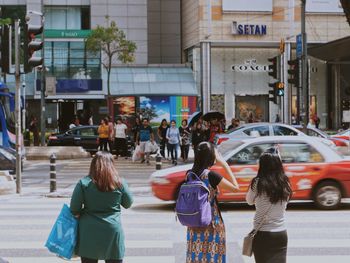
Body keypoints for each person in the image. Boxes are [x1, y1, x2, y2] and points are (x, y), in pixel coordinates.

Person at [70, 151, 133, 263]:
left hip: (88, 232)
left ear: (93, 165)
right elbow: (128, 203)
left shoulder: (84, 183)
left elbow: (74, 209)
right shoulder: (119, 183)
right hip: (112, 231)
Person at [186, 142, 239, 263]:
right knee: (213, 258)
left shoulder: (189, 174)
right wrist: (224, 164)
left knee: (196, 258)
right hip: (211, 224)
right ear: (210, 156)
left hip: (194, 224)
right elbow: (235, 187)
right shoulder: (211, 176)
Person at [246, 148, 292, 263]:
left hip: (262, 233)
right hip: (281, 233)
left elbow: (249, 201)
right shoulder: (285, 182)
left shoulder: (257, 182)